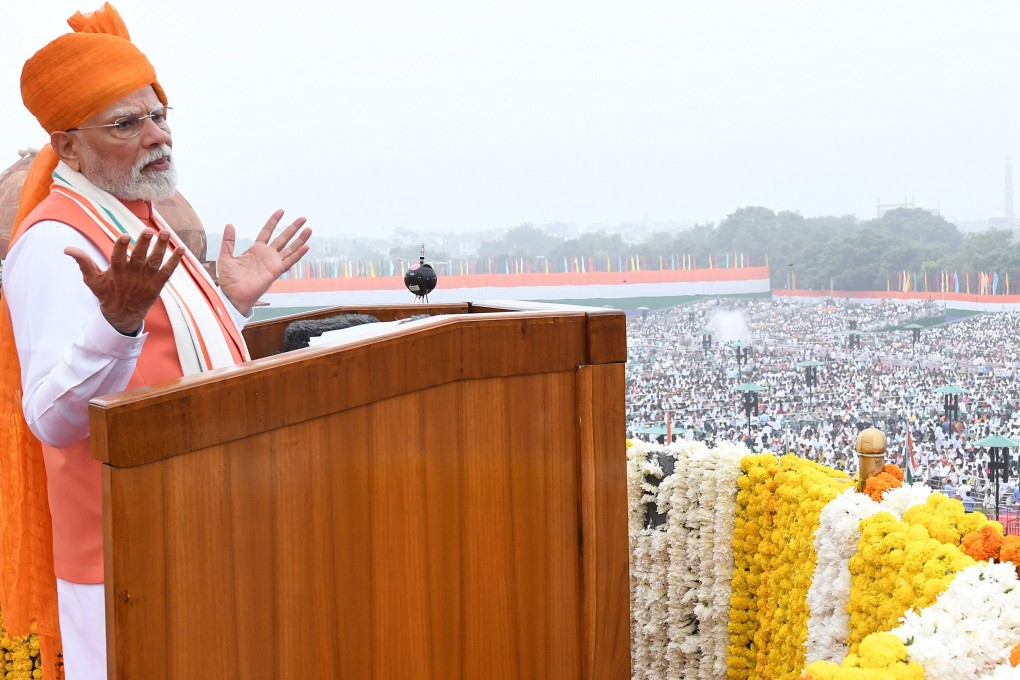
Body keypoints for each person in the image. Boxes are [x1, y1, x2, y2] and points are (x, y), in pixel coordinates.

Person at [0, 5, 311, 679]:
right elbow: (51, 418)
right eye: (127, 124)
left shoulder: (137, 220)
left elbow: (169, 358)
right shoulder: (57, 241)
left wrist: (231, 302)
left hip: (200, 528)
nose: (157, 137)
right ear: (69, 144)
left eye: (160, 115)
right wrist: (116, 323)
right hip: (124, 556)